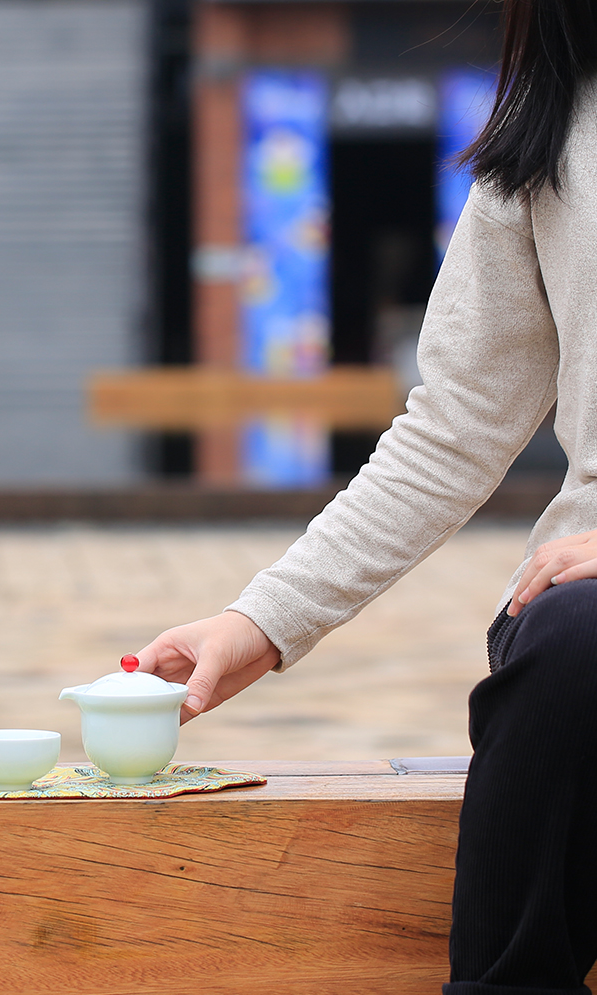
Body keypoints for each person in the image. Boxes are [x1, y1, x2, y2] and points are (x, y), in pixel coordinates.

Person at [137, 2, 597, 992]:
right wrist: (261, 620)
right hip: (582, 612)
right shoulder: (546, 133)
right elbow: (450, 428)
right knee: (575, 643)